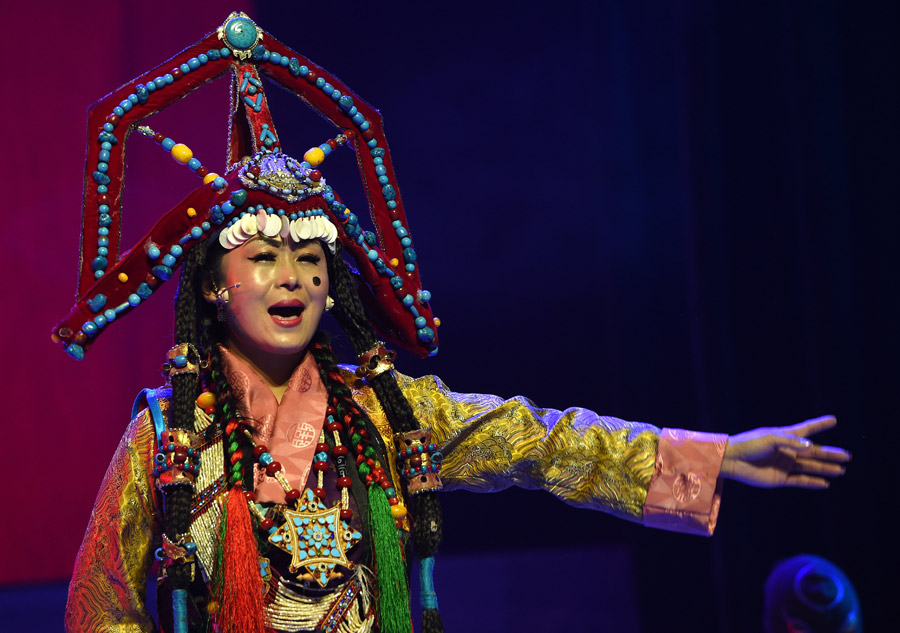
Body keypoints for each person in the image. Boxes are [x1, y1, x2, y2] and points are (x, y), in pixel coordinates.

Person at [54, 13, 850, 633]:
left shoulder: (386, 413)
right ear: (214, 285)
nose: (291, 274)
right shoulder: (169, 439)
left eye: (310, 257)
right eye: (262, 254)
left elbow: (545, 442)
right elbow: (102, 605)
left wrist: (713, 455)